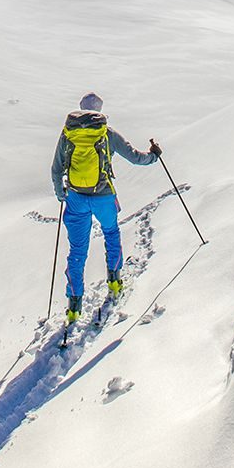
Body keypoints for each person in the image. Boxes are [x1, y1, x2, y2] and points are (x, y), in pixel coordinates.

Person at [50, 92, 159, 325]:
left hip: (76, 198)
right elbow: (135, 157)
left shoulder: (69, 134)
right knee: (111, 233)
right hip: (103, 195)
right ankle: (115, 280)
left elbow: (56, 169)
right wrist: (153, 157)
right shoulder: (106, 133)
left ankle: (74, 305)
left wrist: (63, 195)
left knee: (77, 250)